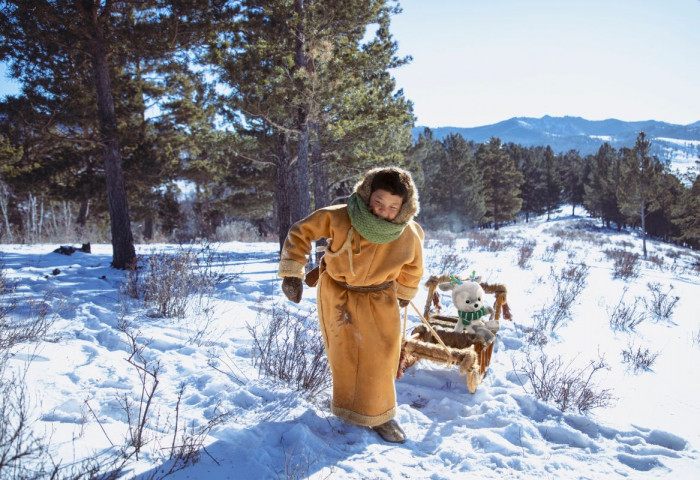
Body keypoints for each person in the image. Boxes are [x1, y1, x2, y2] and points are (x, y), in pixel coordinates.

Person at [278, 166, 424, 443]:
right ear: (368, 194)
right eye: (378, 202)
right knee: (344, 355)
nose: (383, 211)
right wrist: (292, 272)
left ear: (404, 207)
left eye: (393, 207)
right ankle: (347, 407)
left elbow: (414, 267)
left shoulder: (408, 233)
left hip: (380, 298)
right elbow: (300, 232)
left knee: (381, 357)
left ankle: (380, 416)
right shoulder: (341, 216)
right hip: (338, 293)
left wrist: (405, 292)